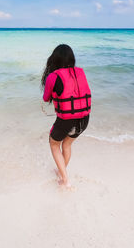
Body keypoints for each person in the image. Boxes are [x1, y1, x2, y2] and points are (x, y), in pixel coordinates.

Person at [41, 44, 91, 188]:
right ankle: (61, 172)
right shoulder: (80, 72)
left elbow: (46, 98)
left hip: (66, 120)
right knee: (67, 144)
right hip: (84, 118)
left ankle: (65, 180)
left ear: (54, 59)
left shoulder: (53, 76)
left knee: (54, 144)